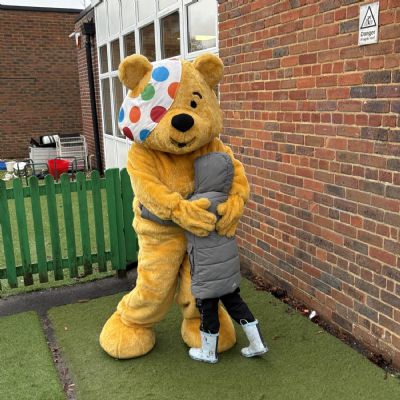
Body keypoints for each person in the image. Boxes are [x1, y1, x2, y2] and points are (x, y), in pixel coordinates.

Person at [141, 152, 268, 363]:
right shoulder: (230, 203)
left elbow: (172, 217)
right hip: (228, 269)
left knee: (207, 310)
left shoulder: (196, 204)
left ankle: (208, 353)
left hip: (206, 270)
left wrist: (145, 211)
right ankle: (257, 343)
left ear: (203, 175)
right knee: (235, 303)